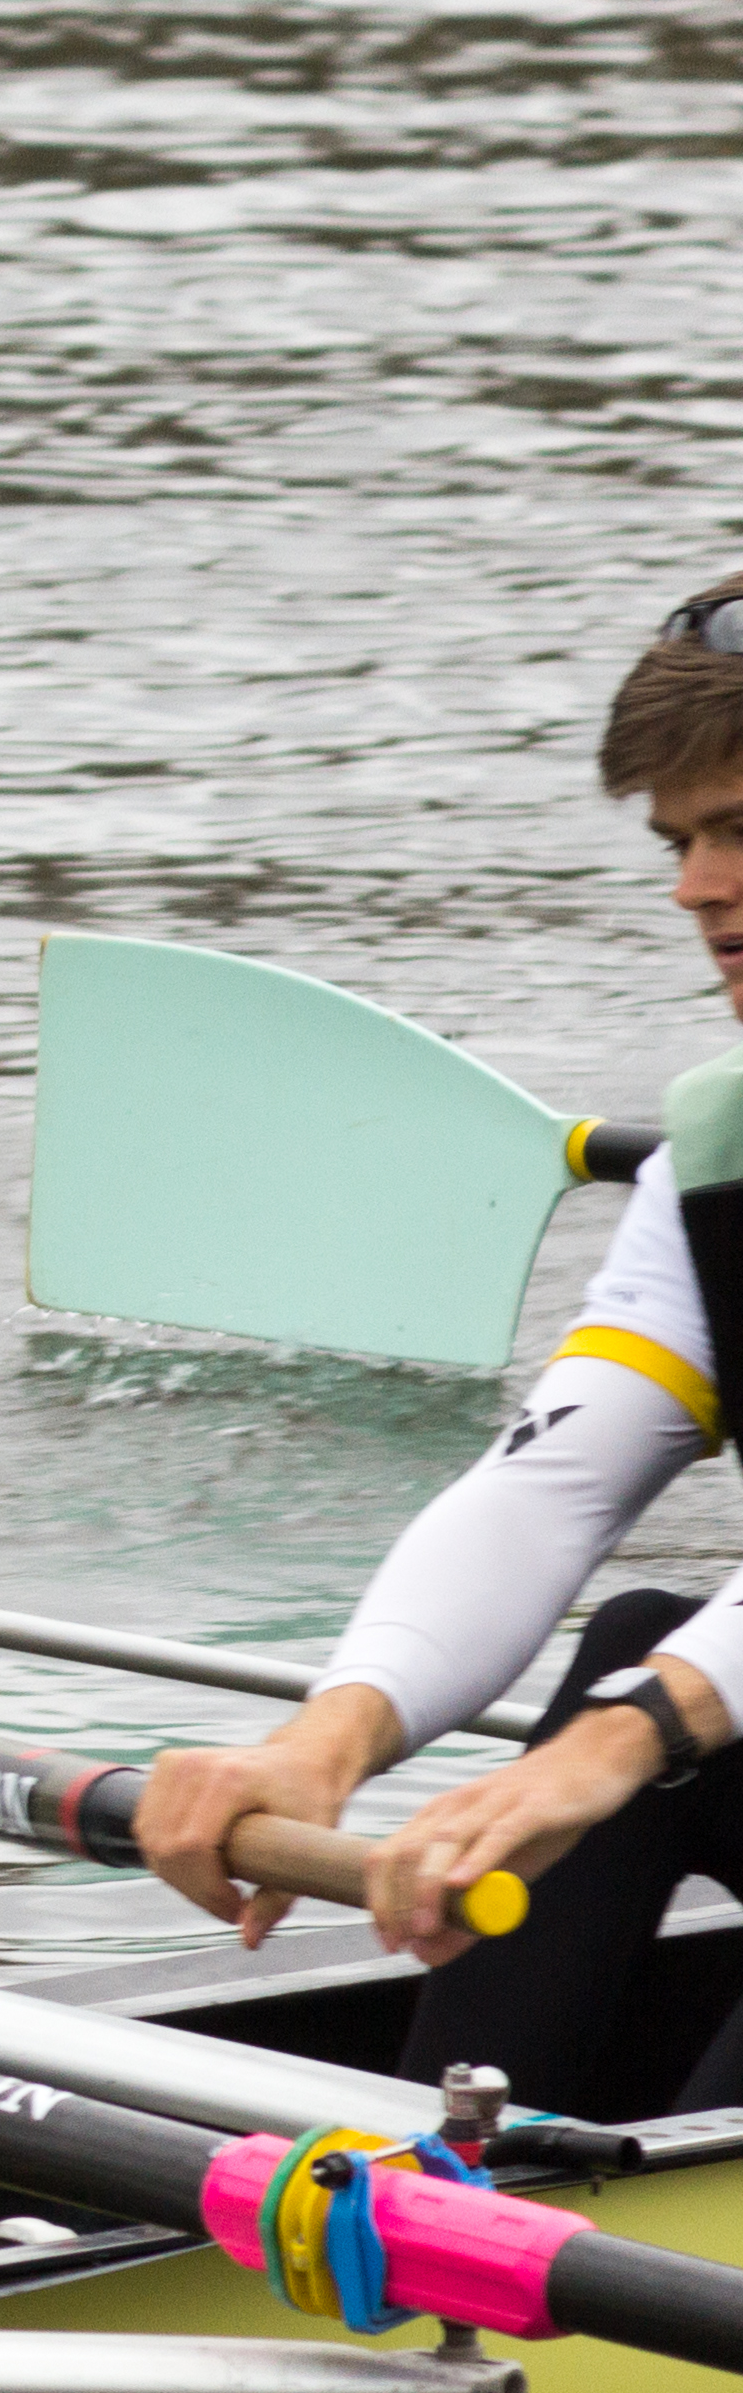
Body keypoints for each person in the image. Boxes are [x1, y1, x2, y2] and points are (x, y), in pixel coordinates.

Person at [138, 578, 743, 2117]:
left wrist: (621, 1748)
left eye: (740, 829)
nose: (696, 889)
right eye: (678, 842)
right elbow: (550, 1484)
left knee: (643, 1700)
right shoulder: (720, 1151)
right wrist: (327, 1743)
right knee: (632, 1639)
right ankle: (442, 2199)